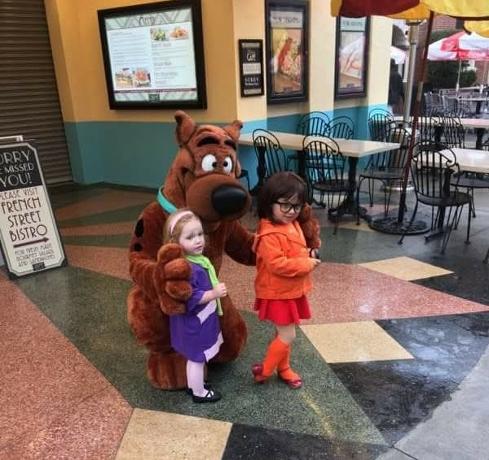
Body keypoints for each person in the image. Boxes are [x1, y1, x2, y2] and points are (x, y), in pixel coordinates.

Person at [251, 172, 321, 389]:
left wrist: (307, 252)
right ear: (269, 203)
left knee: (283, 332)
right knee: (288, 335)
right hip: (277, 293)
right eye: (285, 205)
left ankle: (284, 368)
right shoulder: (269, 234)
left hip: (289, 290)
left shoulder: (291, 224)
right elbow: (278, 264)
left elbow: (294, 249)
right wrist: (307, 263)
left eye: (296, 206)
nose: (291, 211)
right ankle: (265, 370)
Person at [164, 209, 227, 403]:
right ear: (175, 242)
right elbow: (191, 297)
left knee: (195, 359)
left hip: (196, 321)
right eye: (190, 237)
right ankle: (199, 393)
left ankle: (194, 385)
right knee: (197, 358)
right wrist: (214, 294)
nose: (198, 240)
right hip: (195, 323)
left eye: (200, 234)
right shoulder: (188, 268)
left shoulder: (194, 262)